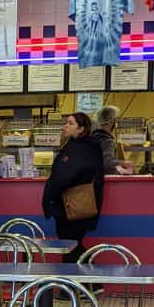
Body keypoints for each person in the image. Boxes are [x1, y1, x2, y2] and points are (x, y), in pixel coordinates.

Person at [42, 112, 105, 265]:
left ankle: (91, 282)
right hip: (80, 205)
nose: (66, 125)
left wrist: (48, 196)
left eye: (70, 123)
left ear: (81, 129)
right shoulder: (87, 147)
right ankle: (75, 286)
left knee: (70, 247)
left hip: (70, 207)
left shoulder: (78, 149)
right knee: (72, 246)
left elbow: (64, 176)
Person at [92, 106, 134, 176]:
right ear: (111, 120)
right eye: (115, 119)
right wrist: (123, 163)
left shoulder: (94, 136)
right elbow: (106, 163)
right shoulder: (107, 141)